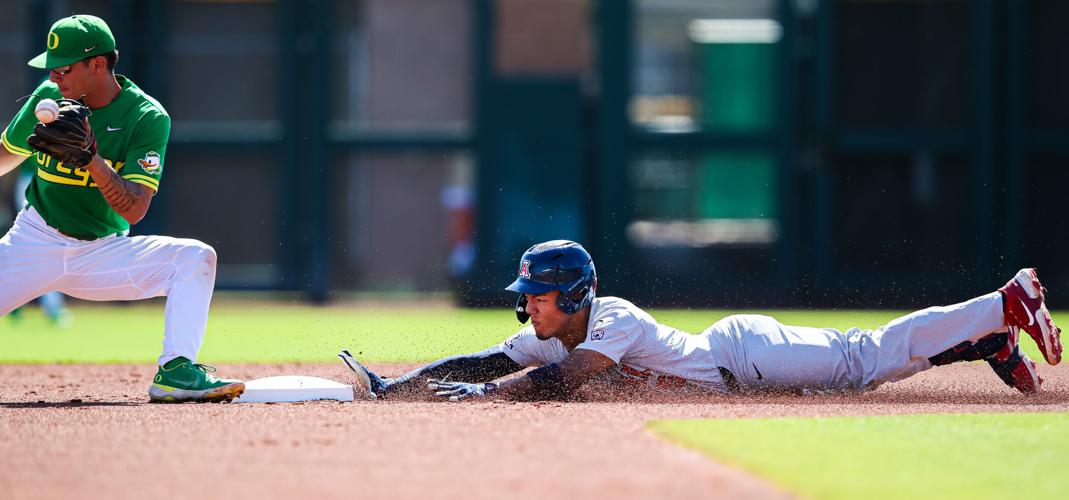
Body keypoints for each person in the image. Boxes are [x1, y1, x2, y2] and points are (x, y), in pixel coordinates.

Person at [339, 240, 1061, 401]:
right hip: (742, 375)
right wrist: (397, 386)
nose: (526, 303)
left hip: (744, 355)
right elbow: (482, 361)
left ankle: (1004, 301)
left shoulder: (611, 319)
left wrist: (492, 395)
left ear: (576, 296)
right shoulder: (547, 334)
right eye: (527, 294)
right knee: (860, 382)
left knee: (864, 357)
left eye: (537, 294)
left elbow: (566, 380)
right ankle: (983, 343)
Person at [0, 15, 243, 402]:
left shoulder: (145, 117)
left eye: (63, 68)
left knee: (196, 258)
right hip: (33, 241)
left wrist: (91, 159)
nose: (54, 76)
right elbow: (6, 155)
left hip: (103, 253)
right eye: (51, 68)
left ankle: (176, 370)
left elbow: (134, 210)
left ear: (97, 64)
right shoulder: (48, 98)